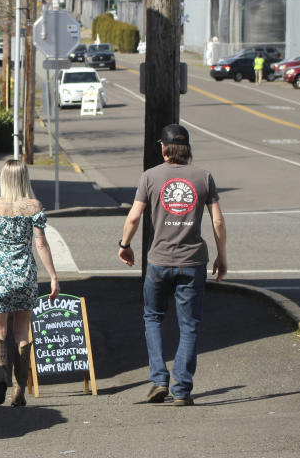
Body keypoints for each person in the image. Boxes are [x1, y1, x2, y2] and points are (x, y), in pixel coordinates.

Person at [118, 124, 227, 406]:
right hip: (193, 261)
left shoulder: (150, 176)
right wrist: (221, 255)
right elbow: (217, 221)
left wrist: (125, 245)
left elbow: (133, 218)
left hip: (159, 260)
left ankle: (159, 379)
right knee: (189, 325)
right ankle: (182, 388)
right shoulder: (204, 177)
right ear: (186, 149)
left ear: (164, 148)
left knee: (153, 318)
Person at [0, 159, 60, 406]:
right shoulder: (33, 207)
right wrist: (53, 276)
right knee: (22, 332)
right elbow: (41, 244)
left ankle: (0, 372)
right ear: (24, 179)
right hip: (25, 275)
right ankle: (19, 389)